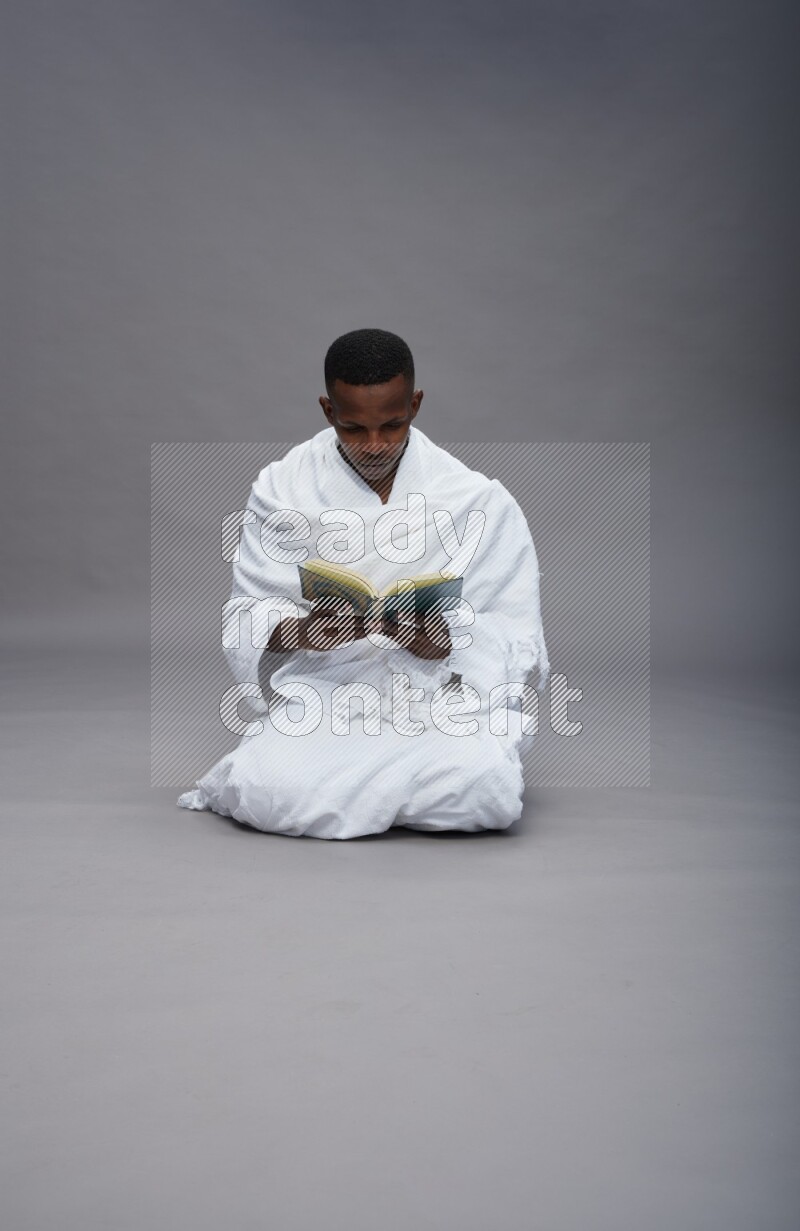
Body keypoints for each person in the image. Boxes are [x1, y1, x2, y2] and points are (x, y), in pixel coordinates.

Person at [177, 328, 549, 839]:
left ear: (415, 404)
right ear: (328, 411)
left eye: (393, 425)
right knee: (267, 789)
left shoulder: (474, 499)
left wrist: (445, 641)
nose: (375, 445)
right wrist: (304, 633)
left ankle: (395, 783)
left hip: (434, 696)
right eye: (354, 428)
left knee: (485, 790)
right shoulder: (282, 488)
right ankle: (390, 790)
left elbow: (511, 627)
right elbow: (250, 610)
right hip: (328, 690)